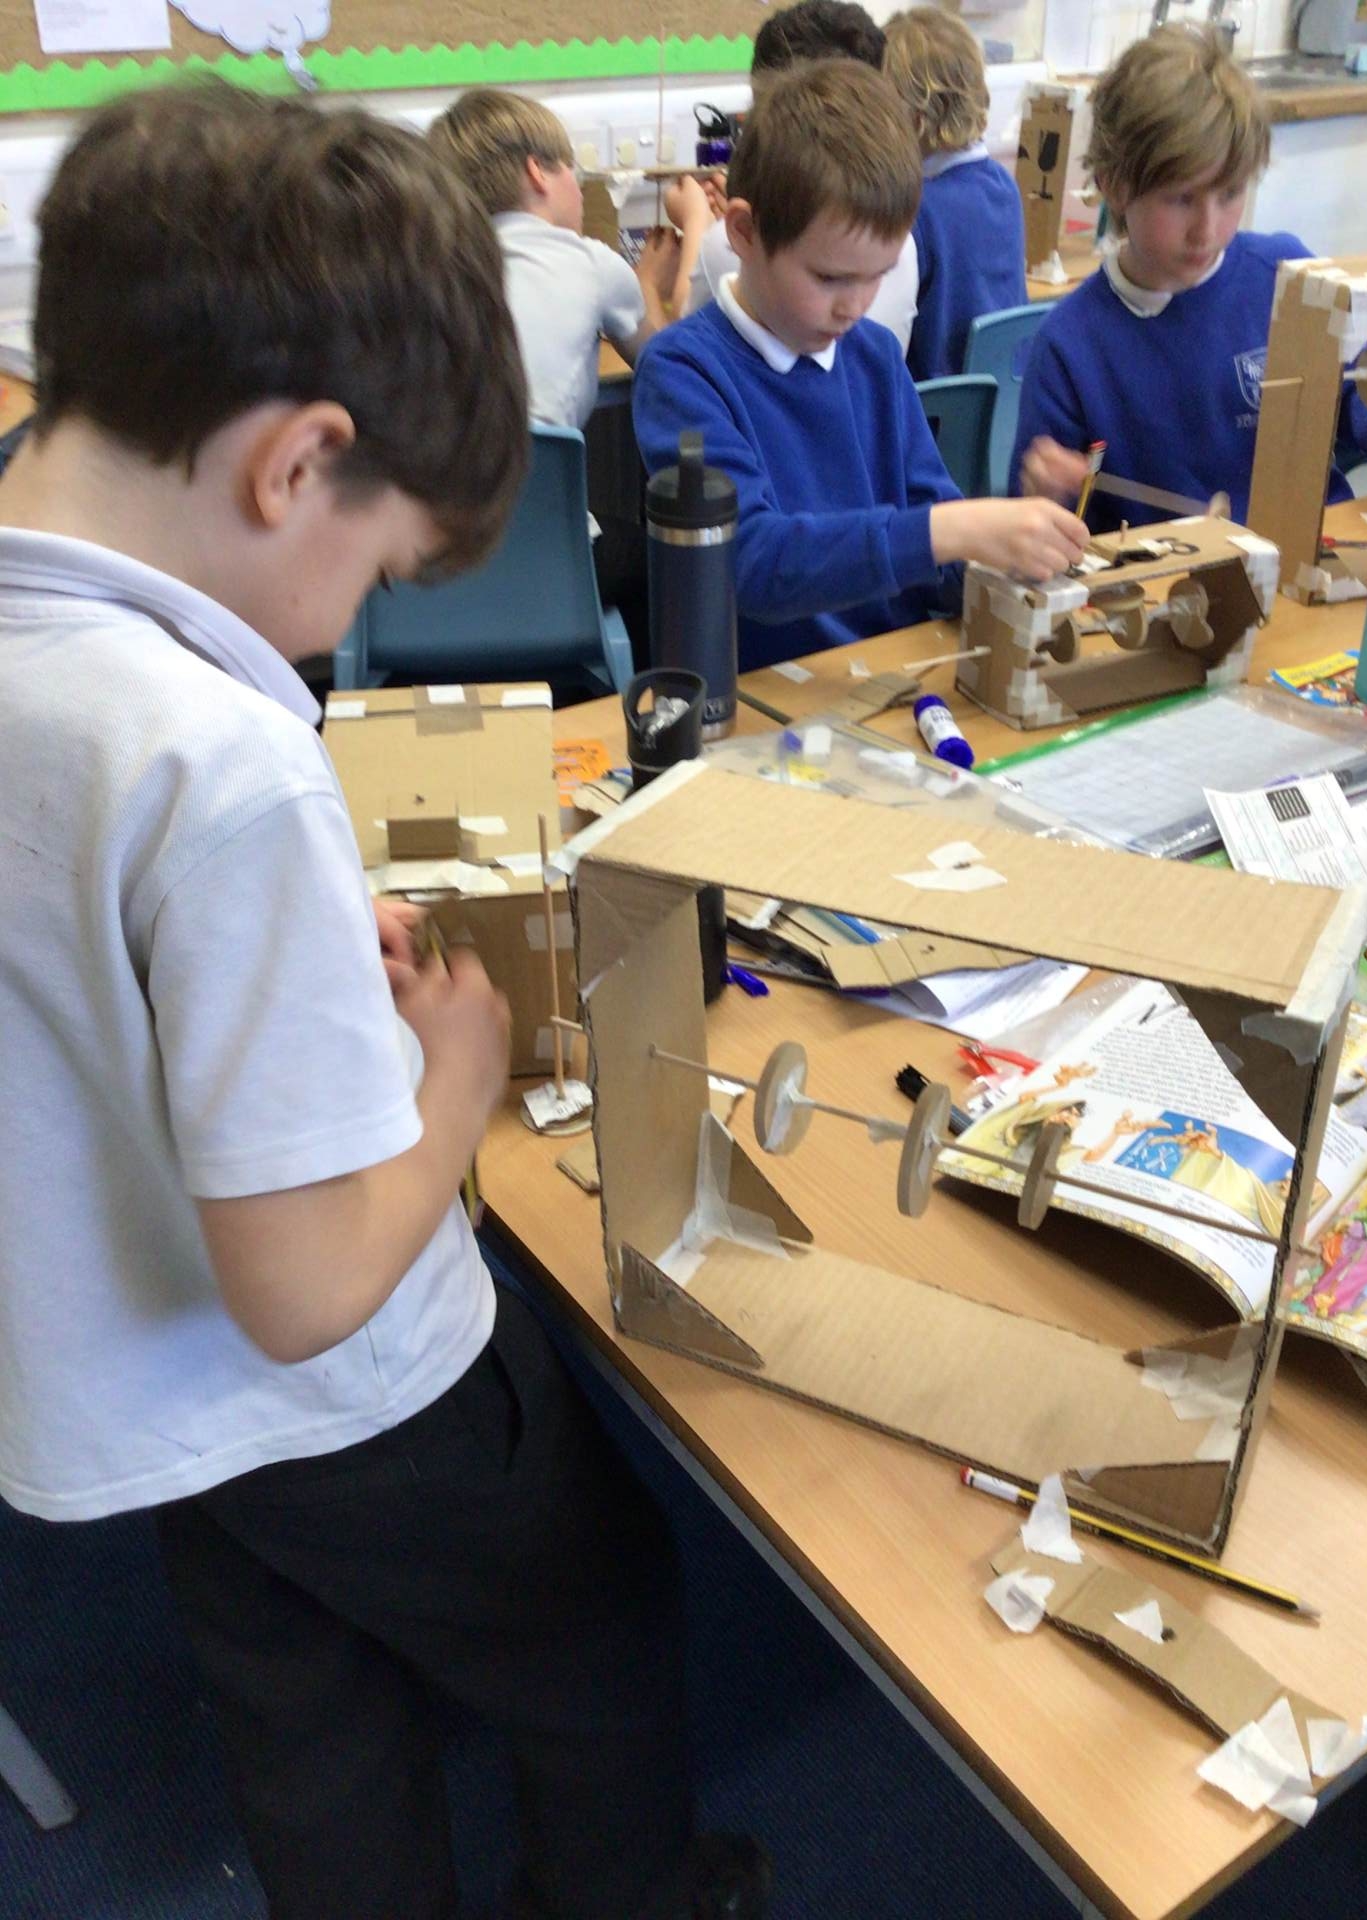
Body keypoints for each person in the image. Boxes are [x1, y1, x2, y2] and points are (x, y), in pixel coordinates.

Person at [0, 83, 766, 1920]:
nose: (339, 627)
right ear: (294, 467)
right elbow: (305, 1292)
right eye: (372, 567)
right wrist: (456, 1070)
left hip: (144, 1399)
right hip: (365, 1399)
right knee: (599, 1621)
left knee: (311, 1724)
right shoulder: (220, 760)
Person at [633, 60, 1086, 669]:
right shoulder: (683, 372)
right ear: (743, 231)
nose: (855, 305)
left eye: (879, 276)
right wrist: (952, 530)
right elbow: (749, 562)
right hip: (764, 694)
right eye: (830, 277)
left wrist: (1013, 534)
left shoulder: (872, 354)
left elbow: (938, 567)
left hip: (893, 674)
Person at [1013, 26, 1367, 530]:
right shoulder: (1069, 346)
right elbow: (1037, 525)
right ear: (1114, 186)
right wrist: (1046, 493)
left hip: (1306, 550)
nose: (1208, 229)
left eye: (1230, 194)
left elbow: (1356, 386)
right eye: (1181, 199)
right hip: (1169, 573)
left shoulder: (1287, 278)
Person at [428, 88, 686, 429]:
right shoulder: (593, 264)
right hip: (538, 462)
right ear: (536, 172)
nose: (579, 191)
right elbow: (671, 375)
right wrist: (649, 283)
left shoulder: (435, 268)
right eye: (571, 168)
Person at [683, 0, 923, 351]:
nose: (854, 310)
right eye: (829, 278)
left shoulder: (727, 244)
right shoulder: (900, 246)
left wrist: (697, 224)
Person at [882, 6, 1026, 378]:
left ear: (912, 118)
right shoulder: (1003, 186)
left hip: (933, 406)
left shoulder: (915, 213)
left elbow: (879, 343)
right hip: (1003, 401)